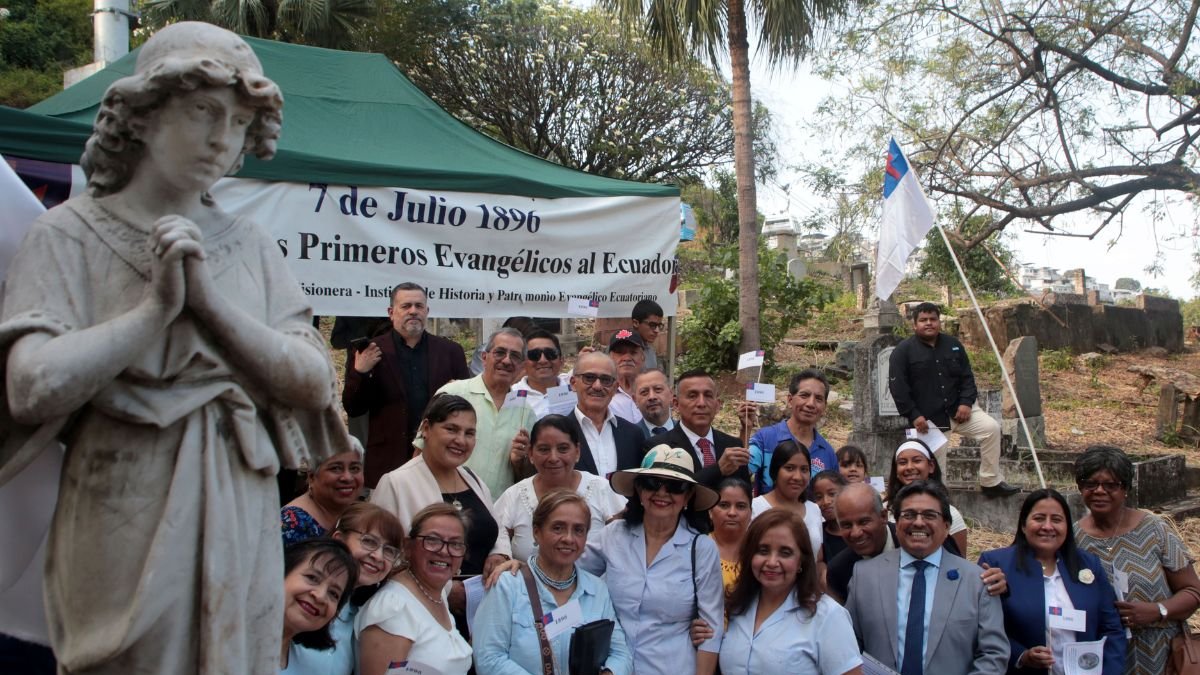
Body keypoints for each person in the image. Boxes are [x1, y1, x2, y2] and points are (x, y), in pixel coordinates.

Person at [0, 22, 354, 674]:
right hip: (122, 495)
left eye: (240, 121)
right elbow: (30, 385)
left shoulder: (250, 245)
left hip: (239, 498)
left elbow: (312, 379)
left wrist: (211, 306)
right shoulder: (70, 235)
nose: (222, 138)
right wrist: (152, 313)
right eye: (203, 112)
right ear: (141, 114)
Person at [580, 446, 725, 675]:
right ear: (638, 489)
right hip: (613, 667)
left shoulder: (702, 549)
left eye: (675, 487)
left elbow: (710, 630)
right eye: (652, 483)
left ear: (688, 496)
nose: (662, 493)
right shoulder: (614, 534)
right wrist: (524, 567)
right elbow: (569, 570)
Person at [370, 394, 514, 618]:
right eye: (451, 429)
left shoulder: (472, 479)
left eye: (469, 433)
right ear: (426, 428)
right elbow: (385, 555)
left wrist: (500, 555)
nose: (461, 440)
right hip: (420, 611)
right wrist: (447, 590)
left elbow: (497, 528)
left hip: (480, 608)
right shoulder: (396, 483)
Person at [846, 481, 1009, 674]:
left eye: (930, 515)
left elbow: (993, 654)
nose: (918, 522)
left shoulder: (977, 581)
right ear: (896, 524)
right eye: (909, 515)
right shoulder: (864, 576)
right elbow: (849, 644)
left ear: (947, 526)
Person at [474, 490, 634, 675]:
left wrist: (610, 673)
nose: (568, 538)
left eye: (578, 530)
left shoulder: (597, 590)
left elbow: (621, 653)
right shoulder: (507, 586)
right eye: (557, 528)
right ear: (536, 532)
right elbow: (488, 658)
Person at [1073, 445, 1200, 674]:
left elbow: (1193, 591)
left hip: (1162, 656)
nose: (1099, 491)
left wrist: (1157, 610)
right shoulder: (1071, 540)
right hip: (1101, 657)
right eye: (1090, 484)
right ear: (1080, 487)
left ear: (1126, 490)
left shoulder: (1153, 529)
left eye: (1111, 485)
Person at [978, 489, 1126, 675]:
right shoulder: (996, 565)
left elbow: (1112, 628)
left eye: (1056, 520)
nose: (1047, 526)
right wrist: (1022, 656)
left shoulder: (1088, 564)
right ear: (1023, 525)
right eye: (1039, 518)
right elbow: (982, 629)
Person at [342, 282, 471, 487]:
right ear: (391, 312)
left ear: (427, 311)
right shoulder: (371, 350)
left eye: (419, 306)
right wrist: (361, 372)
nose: (413, 311)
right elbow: (353, 407)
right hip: (388, 462)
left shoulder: (450, 352)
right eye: (406, 306)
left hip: (437, 459)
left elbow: (466, 405)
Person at [888, 302, 1018, 498]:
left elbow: (967, 377)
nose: (929, 323)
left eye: (933, 319)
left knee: (991, 428)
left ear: (939, 322)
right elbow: (898, 388)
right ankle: (939, 501)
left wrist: (966, 402)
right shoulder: (903, 351)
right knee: (934, 470)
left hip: (961, 410)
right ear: (915, 325)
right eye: (923, 320)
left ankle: (990, 481)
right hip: (929, 419)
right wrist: (914, 415)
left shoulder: (954, 345)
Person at [720, 509, 863, 675]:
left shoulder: (827, 616)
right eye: (763, 550)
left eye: (785, 553)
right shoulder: (736, 606)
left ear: (801, 560)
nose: (772, 562)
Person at [827, 483, 1006, 605]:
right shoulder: (840, 570)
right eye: (846, 525)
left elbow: (963, 583)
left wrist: (993, 584)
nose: (856, 533)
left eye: (864, 522)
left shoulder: (924, 540)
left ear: (883, 516)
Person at [288, 503, 406, 675]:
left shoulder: (361, 615)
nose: (378, 556)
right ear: (339, 539)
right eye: (369, 541)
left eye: (389, 551)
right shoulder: (302, 595)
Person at [357, 504, 474, 675]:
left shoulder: (436, 594)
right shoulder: (392, 607)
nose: (444, 551)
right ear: (408, 547)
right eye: (432, 540)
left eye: (455, 544)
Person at [493, 415, 625, 563]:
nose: (553, 458)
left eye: (563, 449)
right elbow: (495, 535)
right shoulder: (515, 495)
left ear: (577, 451)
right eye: (544, 449)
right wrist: (501, 555)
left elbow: (624, 540)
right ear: (530, 453)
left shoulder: (601, 489)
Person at [434, 327, 536, 496]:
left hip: (498, 513)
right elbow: (422, 453)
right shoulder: (453, 392)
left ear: (522, 366)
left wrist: (520, 461)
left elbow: (526, 477)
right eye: (500, 352)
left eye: (515, 356)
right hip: (447, 506)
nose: (506, 360)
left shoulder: (526, 411)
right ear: (484, 357)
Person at [646, 370, 751, 490]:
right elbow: (669, 493)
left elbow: (744, 496)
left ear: (717, 405)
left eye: (708, 395)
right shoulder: (658, 447)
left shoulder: (733, 445)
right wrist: (718, 469)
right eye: (692, 396)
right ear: (676, 404)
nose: (701, 403)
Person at [747, 369, 839, 494]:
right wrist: (744, 430)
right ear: (790, 400)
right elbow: (741, 474)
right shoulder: (764, 439)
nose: (811, 404)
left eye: (818, 398)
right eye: (804, 395)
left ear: (824, 407)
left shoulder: (828, 453)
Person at [280, 539, 358, 673]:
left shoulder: (310, 668)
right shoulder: (235, 641)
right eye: (312, 578)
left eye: (333, 593)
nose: (320, 596)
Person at [565, 352, 646, 477]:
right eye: (589, 378)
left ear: (615, 387)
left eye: (606, 380)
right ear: (573, 383)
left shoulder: (633, 435)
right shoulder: (559, 433)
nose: (597, 386)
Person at [886, 440, 969, 555]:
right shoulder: (884, 510)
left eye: (917, 461)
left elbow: (960, 563)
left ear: (931, 466)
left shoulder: (951, 514)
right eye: (902, 462)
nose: (909, 467)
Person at [750, 440, 823, 561]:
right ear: (775, 471)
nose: (797, 477)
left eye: (804, 470)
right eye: (789, 468)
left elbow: (818, 558)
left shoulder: (814, 510)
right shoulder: (755, 508)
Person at [282, 444, 365, 545]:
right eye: (336, 468)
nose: (348, 477)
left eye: (354, 468)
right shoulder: (291, 525)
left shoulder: (360, 516)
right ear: (312, 477)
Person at [510, 328, 571, 418]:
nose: (543, 360)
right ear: (523, 363)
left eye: (550, 354)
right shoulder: (511, 397)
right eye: (534, 355)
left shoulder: (575, 392)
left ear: (561, 361)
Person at [710, 477, 754, 593]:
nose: (732, 513)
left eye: (740, 506)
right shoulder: (697, 549)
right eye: (724, 505)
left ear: (751, 513)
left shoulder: (759, 550)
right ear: (710, 511)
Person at [607, 329, 647, 425]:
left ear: (643, 357)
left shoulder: (654, 392)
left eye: (633, 352)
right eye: (620, 353)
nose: (627, 358)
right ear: (610, 358)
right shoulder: (603, 394)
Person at [812, 470, 849, 562]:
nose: (826, 502)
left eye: (832, 494)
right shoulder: (817, 535)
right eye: (819, 497)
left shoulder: (859, 531)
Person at [633, 369, 675, 438]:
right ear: (635, 400)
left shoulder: (688, 433)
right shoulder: (629, 437)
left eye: (658, 389)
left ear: (671, 394)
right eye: (644, 392)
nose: (652, 397)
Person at [631, 299, 665, 372]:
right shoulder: (618, 348)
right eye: (652, 325)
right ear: (636, 323)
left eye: (659, 326)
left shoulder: (650, 351)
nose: (657, 330)